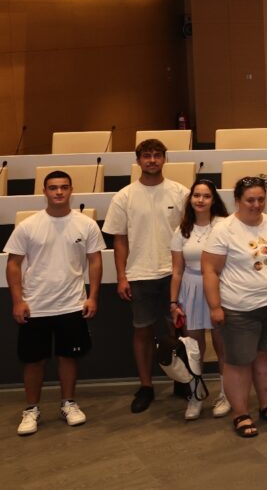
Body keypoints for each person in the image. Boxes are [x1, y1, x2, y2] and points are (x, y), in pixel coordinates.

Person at [7, 171, 103, 436]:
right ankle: (31, 410)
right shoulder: (28, 226)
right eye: (53, 188)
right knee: (33, 361)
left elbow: (95, 261)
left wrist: (93, 296)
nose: (59, 192)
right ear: (44, 191)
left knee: (68, 357)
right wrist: (18, 301)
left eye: (63, 187)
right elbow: (13, 264)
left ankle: (68, 404)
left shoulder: (86, 225)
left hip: (72, 304)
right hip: (35, 305)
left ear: (71, 190)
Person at [102, 138, 188, 414]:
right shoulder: (124, 196)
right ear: (138, 160)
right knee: (142, 331)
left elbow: (189, 234)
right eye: (147, 155)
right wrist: (122, 276)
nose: (152, 160)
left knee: (178, 330)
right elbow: (120, 240)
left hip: (174, 274)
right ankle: (146, 385)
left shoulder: (180, 192)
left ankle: (183, 380)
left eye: (157, 155)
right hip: (139, 274)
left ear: (165, 159)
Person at [202, 176, 267, 438]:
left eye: (260, 199)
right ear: (237, 201)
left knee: (266, 355)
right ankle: (240, 413)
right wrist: (215, 306)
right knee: (238, 362)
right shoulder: (224, 230)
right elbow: (210, 270)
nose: (256, 205)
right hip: (239, 308)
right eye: (250, 200)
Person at [168, 179, 231, 420]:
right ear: (190, 199)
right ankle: (195, 396)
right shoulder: (181, 230)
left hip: (219, 288)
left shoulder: (224, 225)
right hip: (190, 290)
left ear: (213, 200)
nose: (201, 200)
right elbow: (177, 271)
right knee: (193, 349)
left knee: (222, 346)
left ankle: (226, 394)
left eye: (206, 196)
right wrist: (174, 303)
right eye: (196, 195)